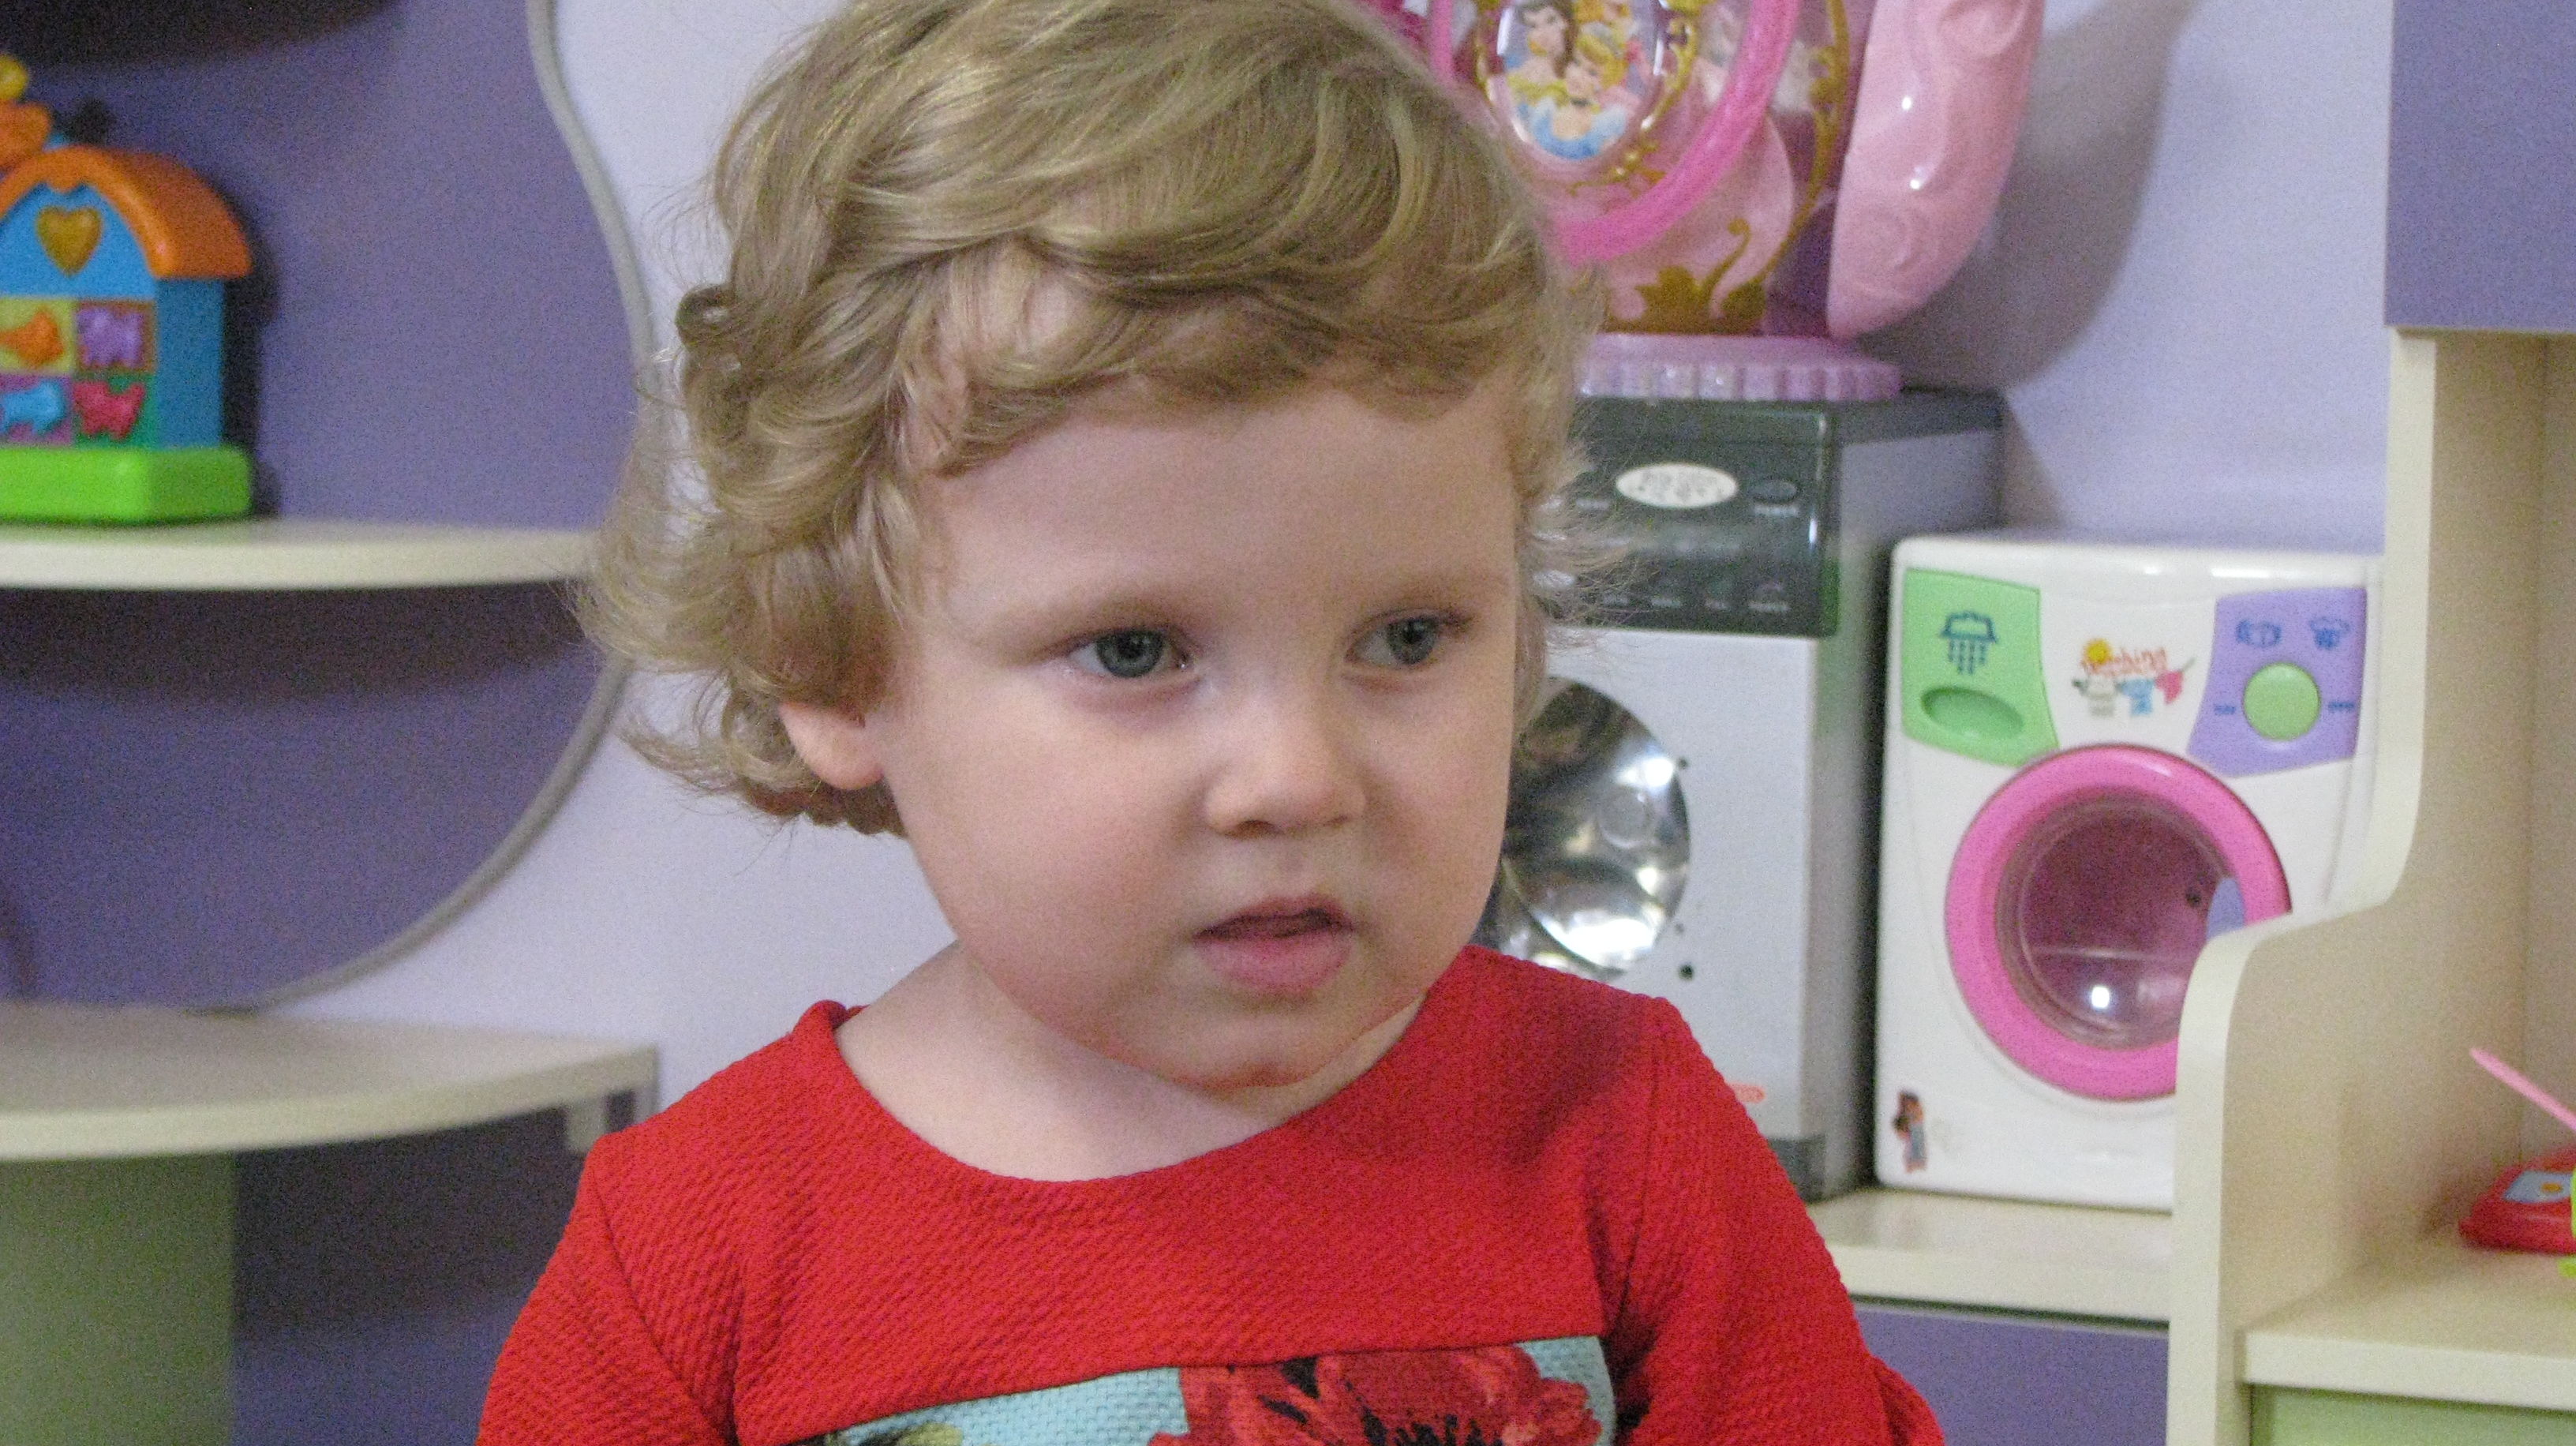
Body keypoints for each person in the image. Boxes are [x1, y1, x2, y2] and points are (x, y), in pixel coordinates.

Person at [479, 0, 1941, 1440]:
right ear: (832, 661)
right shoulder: (696, 1255)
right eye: (1135, 651)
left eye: (1408, 637)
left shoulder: (1627, 1137)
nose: (1298, 779)